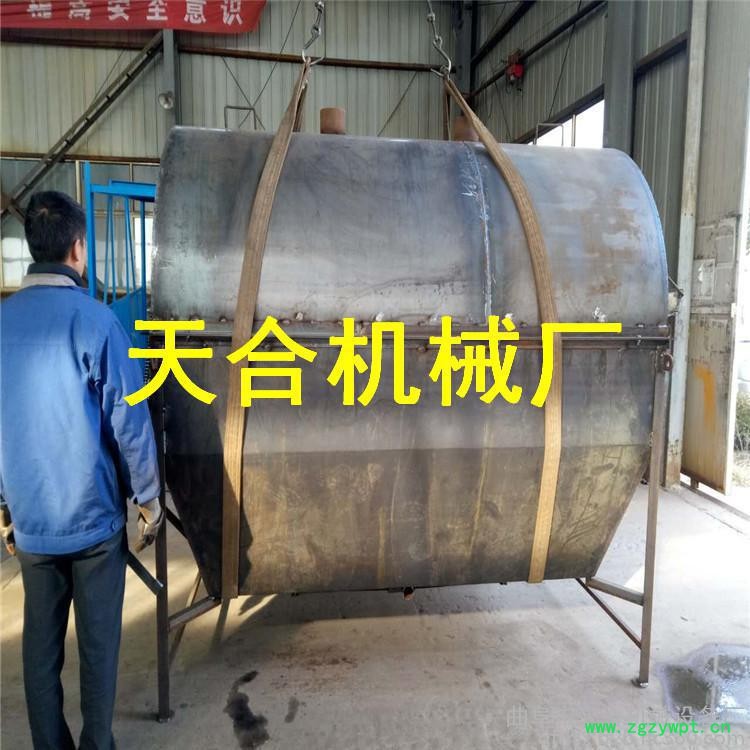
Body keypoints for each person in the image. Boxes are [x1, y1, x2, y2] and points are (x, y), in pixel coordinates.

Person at [0, 190, 163, 750]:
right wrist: (148, 498)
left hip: (33, 524)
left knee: (40, 650)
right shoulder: (96, 323)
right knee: (98, 649)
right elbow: (130, 421)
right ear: (76, 248)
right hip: (93, 525)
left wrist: (7, 507)